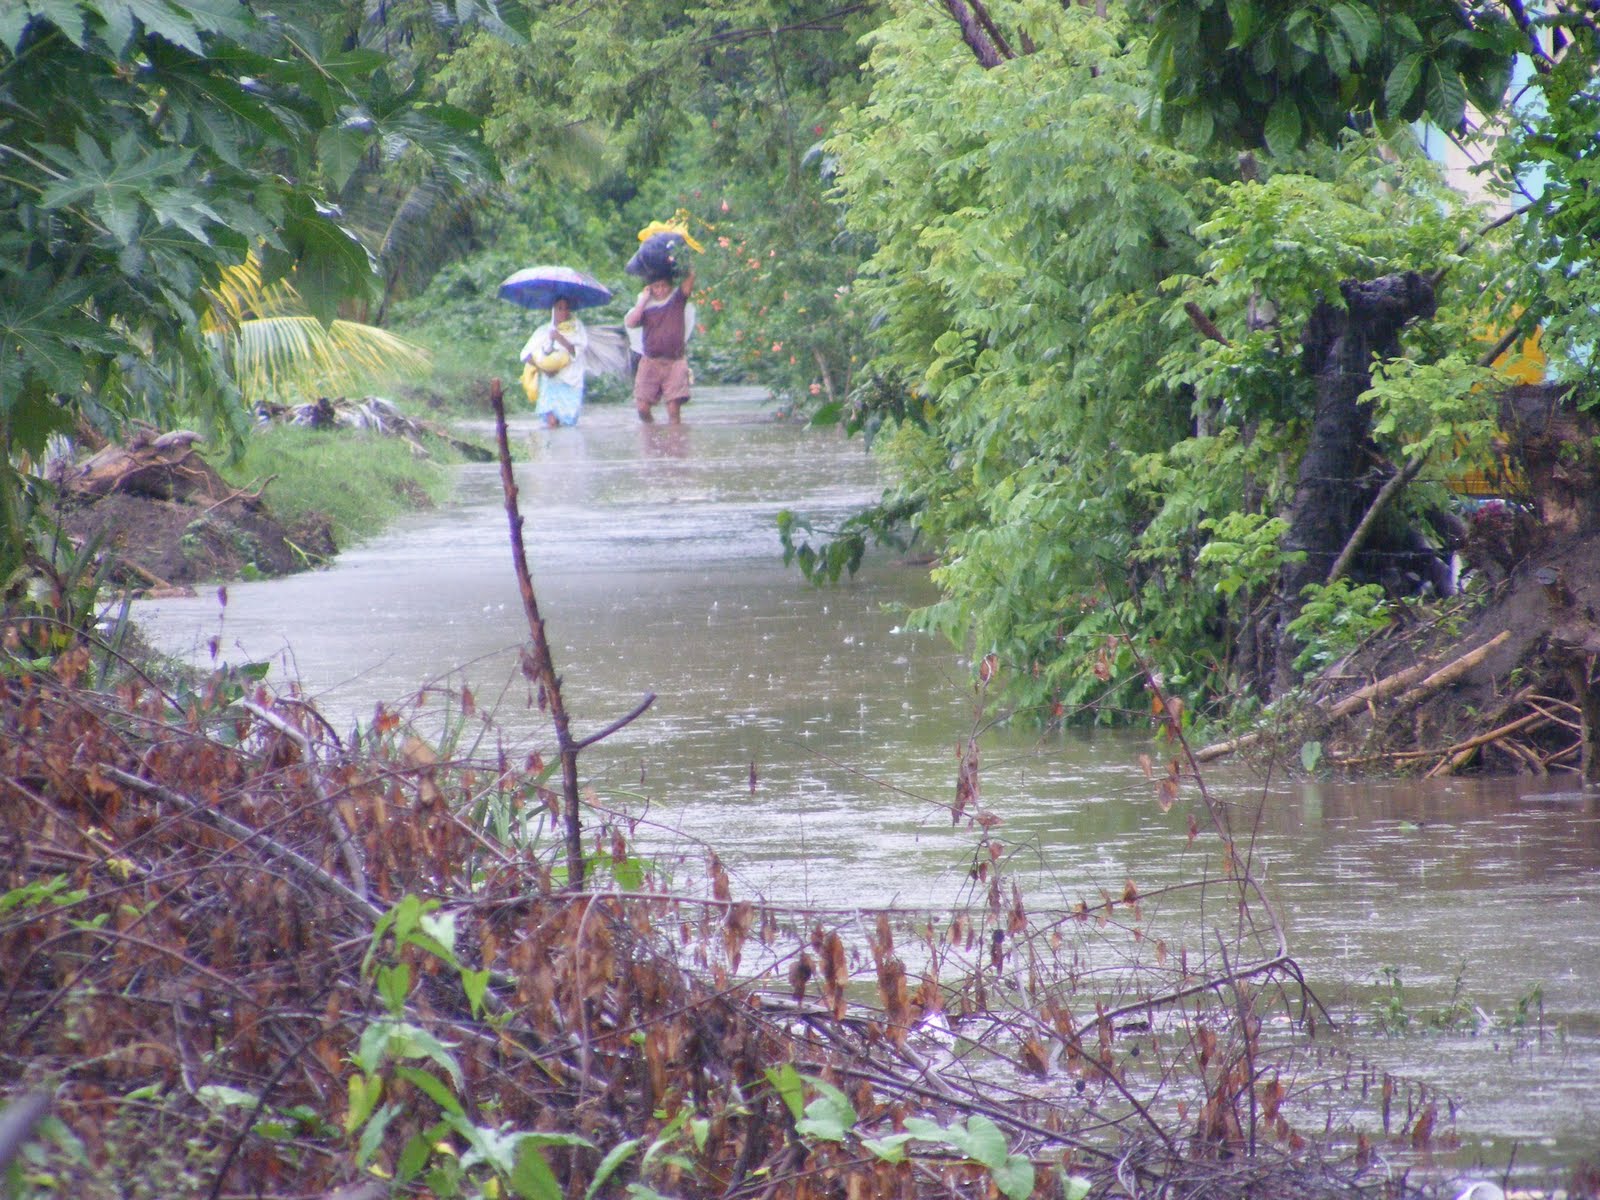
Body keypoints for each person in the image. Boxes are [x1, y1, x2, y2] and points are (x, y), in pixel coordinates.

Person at [625, 268, 695, 423]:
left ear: (670, 286)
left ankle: (676, 444)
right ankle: (652, 436)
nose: (661, 290)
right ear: (650, 288)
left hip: (675, 361)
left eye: (664, 286)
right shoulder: (645, 305)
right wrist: (642, 300)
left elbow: (689, 283)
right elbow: (631, 322)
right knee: (642, 409)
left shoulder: (676, 300)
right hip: (650, 361)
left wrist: (688, 264)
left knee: (673, 410)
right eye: (656, 287)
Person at [520, 296, 590, 428]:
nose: (563, 312)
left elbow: (577, 351)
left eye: (566, 308)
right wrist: (544, 369)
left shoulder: (577, 329)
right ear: (553, 310)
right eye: (559, 308)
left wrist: (560, 338)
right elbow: (525, 354)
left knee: (567, 425)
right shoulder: (544, 331)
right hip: (550, 383)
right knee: (551, 423)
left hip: (571, 382)